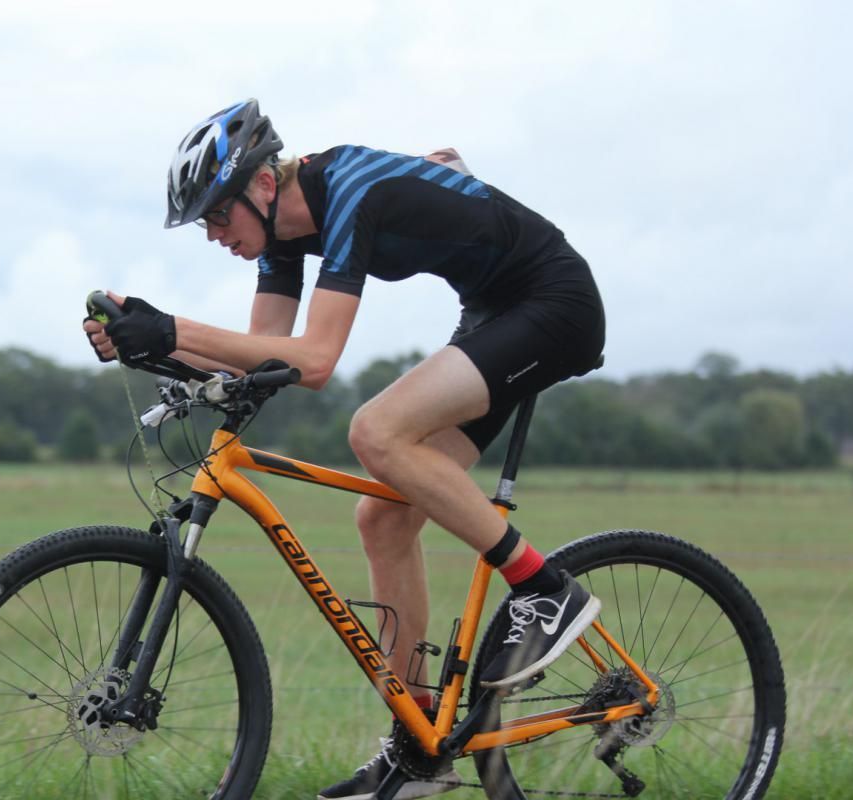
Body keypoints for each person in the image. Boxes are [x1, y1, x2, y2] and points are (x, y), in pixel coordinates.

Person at [83, 99, 606, 800]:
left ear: (264, 185)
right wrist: (153, 347)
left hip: (552, 304)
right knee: (382, 518)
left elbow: (318, 359)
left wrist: (174, 326)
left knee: (375, 431)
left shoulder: (352, 194)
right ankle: (418, 747)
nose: (212, 235)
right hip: (495, 314)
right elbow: (261, 364)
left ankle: (545, 590)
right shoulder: (280, 236)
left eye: (217, 214)